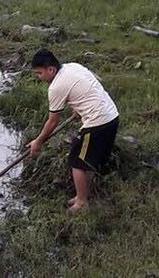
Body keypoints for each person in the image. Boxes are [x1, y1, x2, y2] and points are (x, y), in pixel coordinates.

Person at [27, 49, 119, 212]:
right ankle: (81, 195)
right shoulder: (72, 67)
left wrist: (38, 141)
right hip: (112, 116)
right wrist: (80, 108)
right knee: (87, 160)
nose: (38, 77)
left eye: (39, 73)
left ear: (51, 69)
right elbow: (92, 81)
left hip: (98, 123)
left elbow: (53, 121)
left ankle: (82, 203)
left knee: (76, 161)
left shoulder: (55, 87)